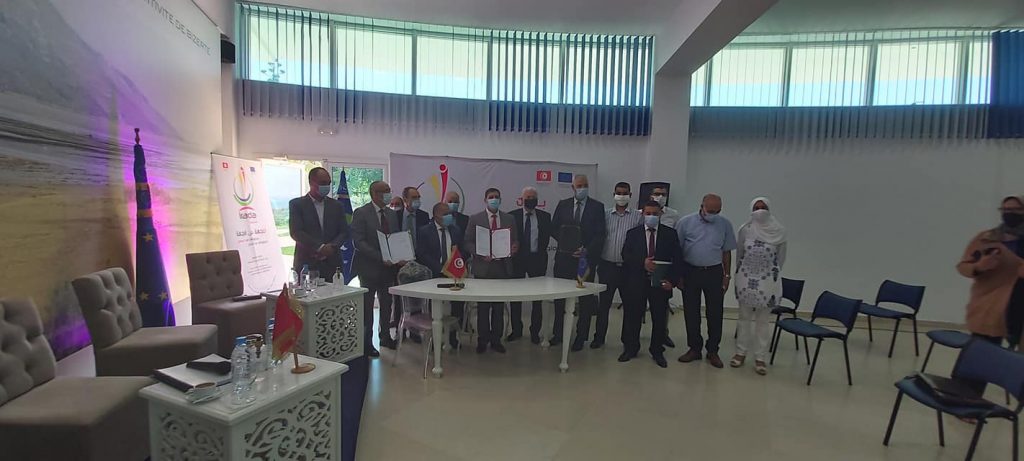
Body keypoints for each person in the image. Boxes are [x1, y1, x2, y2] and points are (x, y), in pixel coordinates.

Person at [620, 201, 684, 368]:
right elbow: (626, 255)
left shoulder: (670, 234)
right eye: (648, 213)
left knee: (659, 318)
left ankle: (657, 351)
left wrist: (672, 281)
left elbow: (677, 259)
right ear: (642, 214)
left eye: (655, 214)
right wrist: (642, 262)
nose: (651, 216)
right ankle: (630, 348)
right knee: (633, 316)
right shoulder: (633, 233)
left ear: (660, 213)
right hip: (637, 281)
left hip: (660, 283)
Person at [676, 193, 737, 368]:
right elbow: (677, 251)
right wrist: (678, 275)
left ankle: (713, 350)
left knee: (715, 313)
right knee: (691, 312)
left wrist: (727, 276)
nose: (713, 214)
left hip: (714, 272)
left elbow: (726, 251)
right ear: (701, 206)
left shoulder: (725, 224)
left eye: (717, 211)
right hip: (690, 271)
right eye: (710, 211)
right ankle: (694, 348)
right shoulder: (685, 223)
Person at [578, 182, 640, 350]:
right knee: (603, 305)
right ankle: (599, 338)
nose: (621, 196)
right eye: (618, 193)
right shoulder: (604, 215)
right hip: (607, 266)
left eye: (625, 193)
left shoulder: (638, 217)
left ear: (630, 195)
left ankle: (628, 341)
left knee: (629, 307)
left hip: (628, 269)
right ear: (614, 194)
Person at [957, 196, 1024, 349]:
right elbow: (963, 266)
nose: (1009, 213)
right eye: (1005, 210)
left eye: (1015, 209)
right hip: (989, 306)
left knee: (1018, 358)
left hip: (1020, 305)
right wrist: (979, 266)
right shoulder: (986, 238)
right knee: (982, 353)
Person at [731, 197, 787, 376]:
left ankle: (760, 357)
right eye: (756, 207)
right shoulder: (745, 229)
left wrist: (769, 274)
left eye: (763, 207)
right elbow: (740, 254)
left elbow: (781, 259)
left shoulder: (779, 231)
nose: (760, 210)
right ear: (751, 210)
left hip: (768, 281)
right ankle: (740, 353)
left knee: (763, 321)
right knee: (744, 318)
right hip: (746, 279)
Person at [551, 174, 606, 348]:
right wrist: (566, 244)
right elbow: (554, 228)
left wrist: (586, 250)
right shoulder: (563, 205)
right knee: (560, 299)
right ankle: (558, 334)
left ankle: (581, 337)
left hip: (585, 261)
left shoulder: (597, 207)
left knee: (585, 300)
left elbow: (600, 234)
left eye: (585, 185)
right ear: (573, 188)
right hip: (564, 260)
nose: (582, 188)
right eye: (579, 185)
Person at [351, 180, 403, 357]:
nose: (389, 194)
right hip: (369, 267)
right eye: (385, 191)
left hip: (389, 268)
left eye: (389, 190)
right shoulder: (361, 213)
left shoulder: (392, 214)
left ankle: (385, 336)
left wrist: (399, 255)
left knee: (387, 304)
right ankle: (367, 343)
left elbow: (395, 238)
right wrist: (380, 257)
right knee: (368, 307)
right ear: (374, 194)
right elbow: (359, 242)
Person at [464, 188, 519, 353]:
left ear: (500, 200)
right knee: (483, 307)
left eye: (496, 197)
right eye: (491, 197)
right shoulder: (475, 218)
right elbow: (467, 242)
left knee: (498, 307)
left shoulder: (509, 218)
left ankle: (496, 340)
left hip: (502, 267)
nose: (494, 199)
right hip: (483, 268)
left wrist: (514, 247)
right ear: (485, 200)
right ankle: (482, 340)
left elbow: (515, 240)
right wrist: (479, 253)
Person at [416, 202, 465, 348]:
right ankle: (434, 339)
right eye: (445, 214)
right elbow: (422, 254)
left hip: (454, 275)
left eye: (450, 213)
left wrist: (455, 266)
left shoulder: (455, 230)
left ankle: (453, 337)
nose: (449, 216)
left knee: (457, 305)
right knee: (435, 308)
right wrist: (441, 268)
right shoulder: (424, 231)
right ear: (436, 215)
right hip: (434, 274)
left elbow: (461, 251)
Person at [288, 167, 350, 280]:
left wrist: (331, 247)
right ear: (311, 182)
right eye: (323, 183)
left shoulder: (337, 206)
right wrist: (320, 247)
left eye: (329, 183)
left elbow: (344, 231)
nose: (326, 186)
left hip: (332, 263)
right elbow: (296, 232)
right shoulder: (297, 204)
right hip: (307, 263)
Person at [509, 186, 552, 344]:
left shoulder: (545, 216)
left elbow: (548, 237)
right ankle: (516, 330)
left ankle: (535, 332)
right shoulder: (512, 216)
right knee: (515, 298)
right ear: (522, 199)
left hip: (537, 260)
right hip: (517, 260)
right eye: (528, 197)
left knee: (537, 299)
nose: (531, 200)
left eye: (534, 197)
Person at [651, 185, 679, 348]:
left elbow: (676, 241)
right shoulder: (642, 213)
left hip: (664, 265)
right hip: (646, 263)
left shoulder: (674, 215)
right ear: (651, 195)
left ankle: (663, 335)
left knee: (662, 306)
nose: (660, 196)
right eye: (657, 194)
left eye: (663, 194)